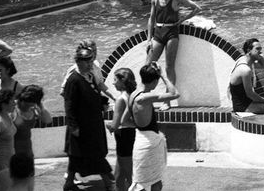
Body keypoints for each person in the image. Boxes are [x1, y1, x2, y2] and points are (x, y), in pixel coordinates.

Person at [62, 45, 115, 191]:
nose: (90, 64)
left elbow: (93, 96)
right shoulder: (73, 80)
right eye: (86, 61)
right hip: (81, 127)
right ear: (79, 62)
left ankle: (69, 183)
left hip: (93, 124)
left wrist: (102, 103)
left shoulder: (90, 77)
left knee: (77, 157)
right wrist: (74, 126)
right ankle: (109, 182)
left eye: (90, 60)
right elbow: (69, 105)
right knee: (94, 155)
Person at [146, 0, 201, 94]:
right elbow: (151, 18)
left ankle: (168, 99)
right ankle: (144, 94)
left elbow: (196, 8)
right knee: (148, 65)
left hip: (171, 33)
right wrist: (149, 39)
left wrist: (183, 20)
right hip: (158, 33)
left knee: (169, 67)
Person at [127, 62, 179, 191]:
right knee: (155, 182)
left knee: (140, 183)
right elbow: (175, 93)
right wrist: (163, 75)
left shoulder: (133, 95)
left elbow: (126, 119)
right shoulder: (145, 97)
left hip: (140, 139)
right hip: (149, 143)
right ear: (155, 81)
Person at [228, 38, 264, 115]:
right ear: (249, 50)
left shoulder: (248, 61)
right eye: (257, 49)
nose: (261, 51)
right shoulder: (245, 69)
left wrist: (258, 55)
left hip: (249, 101)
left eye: (261, 49)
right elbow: (250, 94)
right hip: (242, 106)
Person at [108, 68, 136, 191]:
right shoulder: (132, 96)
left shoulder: (120, 100)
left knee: (130, 176)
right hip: (130, 135)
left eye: (115, 80)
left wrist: (104, 124)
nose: (113, 83)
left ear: (122, 81)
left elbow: (115, 125)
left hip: (123, 137)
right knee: (118, 176)